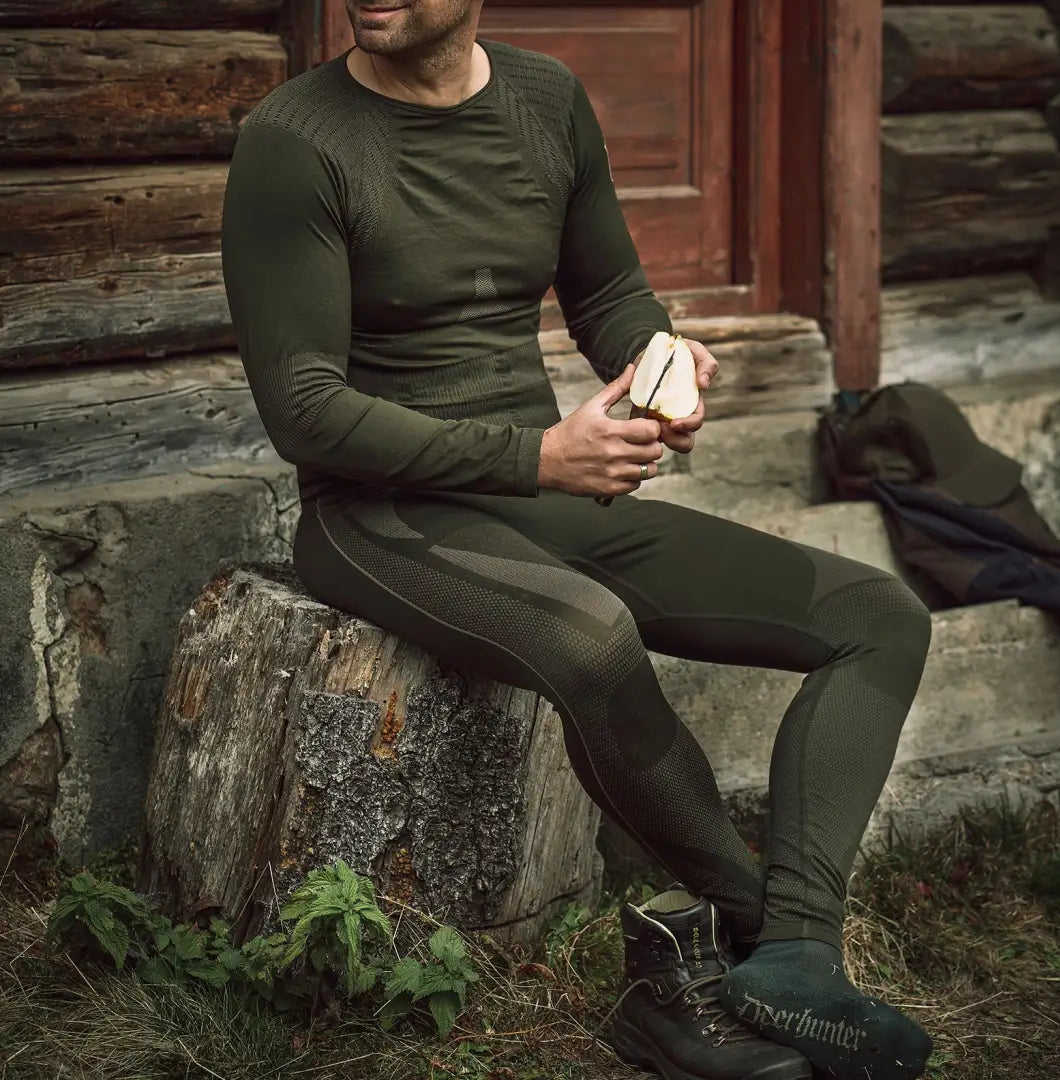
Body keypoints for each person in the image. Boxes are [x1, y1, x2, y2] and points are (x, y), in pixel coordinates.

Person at [220, 3, 934, 1078]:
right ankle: (738, 933)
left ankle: (796, 955)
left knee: (876, 615)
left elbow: (606, 290)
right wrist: (539, 458)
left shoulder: (545, 100)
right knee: (593, 635)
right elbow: (306, 409)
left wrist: (661, 362)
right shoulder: (296, 141)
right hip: (375, 512)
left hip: (537, 483)